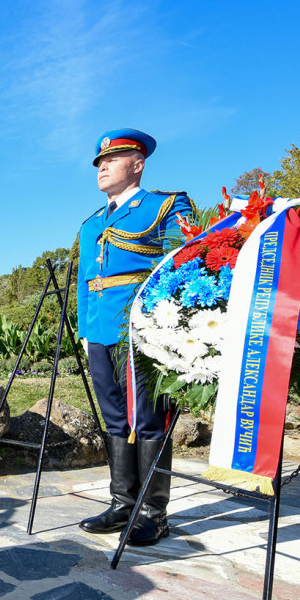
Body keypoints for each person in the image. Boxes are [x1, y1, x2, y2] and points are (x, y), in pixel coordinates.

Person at [76, 129, 195, 547]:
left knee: (148, 420)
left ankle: (152, 513)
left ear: (138, 164)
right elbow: (85, 282)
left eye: (112, 159)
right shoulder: (91, 223)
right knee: (114, 420)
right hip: (101, 331)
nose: (102, 166)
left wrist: (171, 328)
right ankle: (122, 503)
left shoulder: (165, 205)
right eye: (99, 163)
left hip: (143, 329)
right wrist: (86, 333)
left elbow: (187, 264)